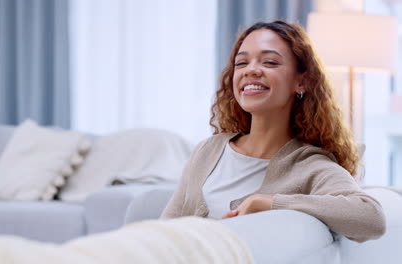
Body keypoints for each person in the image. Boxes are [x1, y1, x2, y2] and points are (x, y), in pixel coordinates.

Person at [160, 21, 385, 243]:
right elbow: (165, 229)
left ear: (302, 82)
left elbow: (371, 217)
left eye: (269, 62)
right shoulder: (208, 150)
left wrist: (269, 202)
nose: (251, 70)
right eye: (241, 63)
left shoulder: (310, 165)